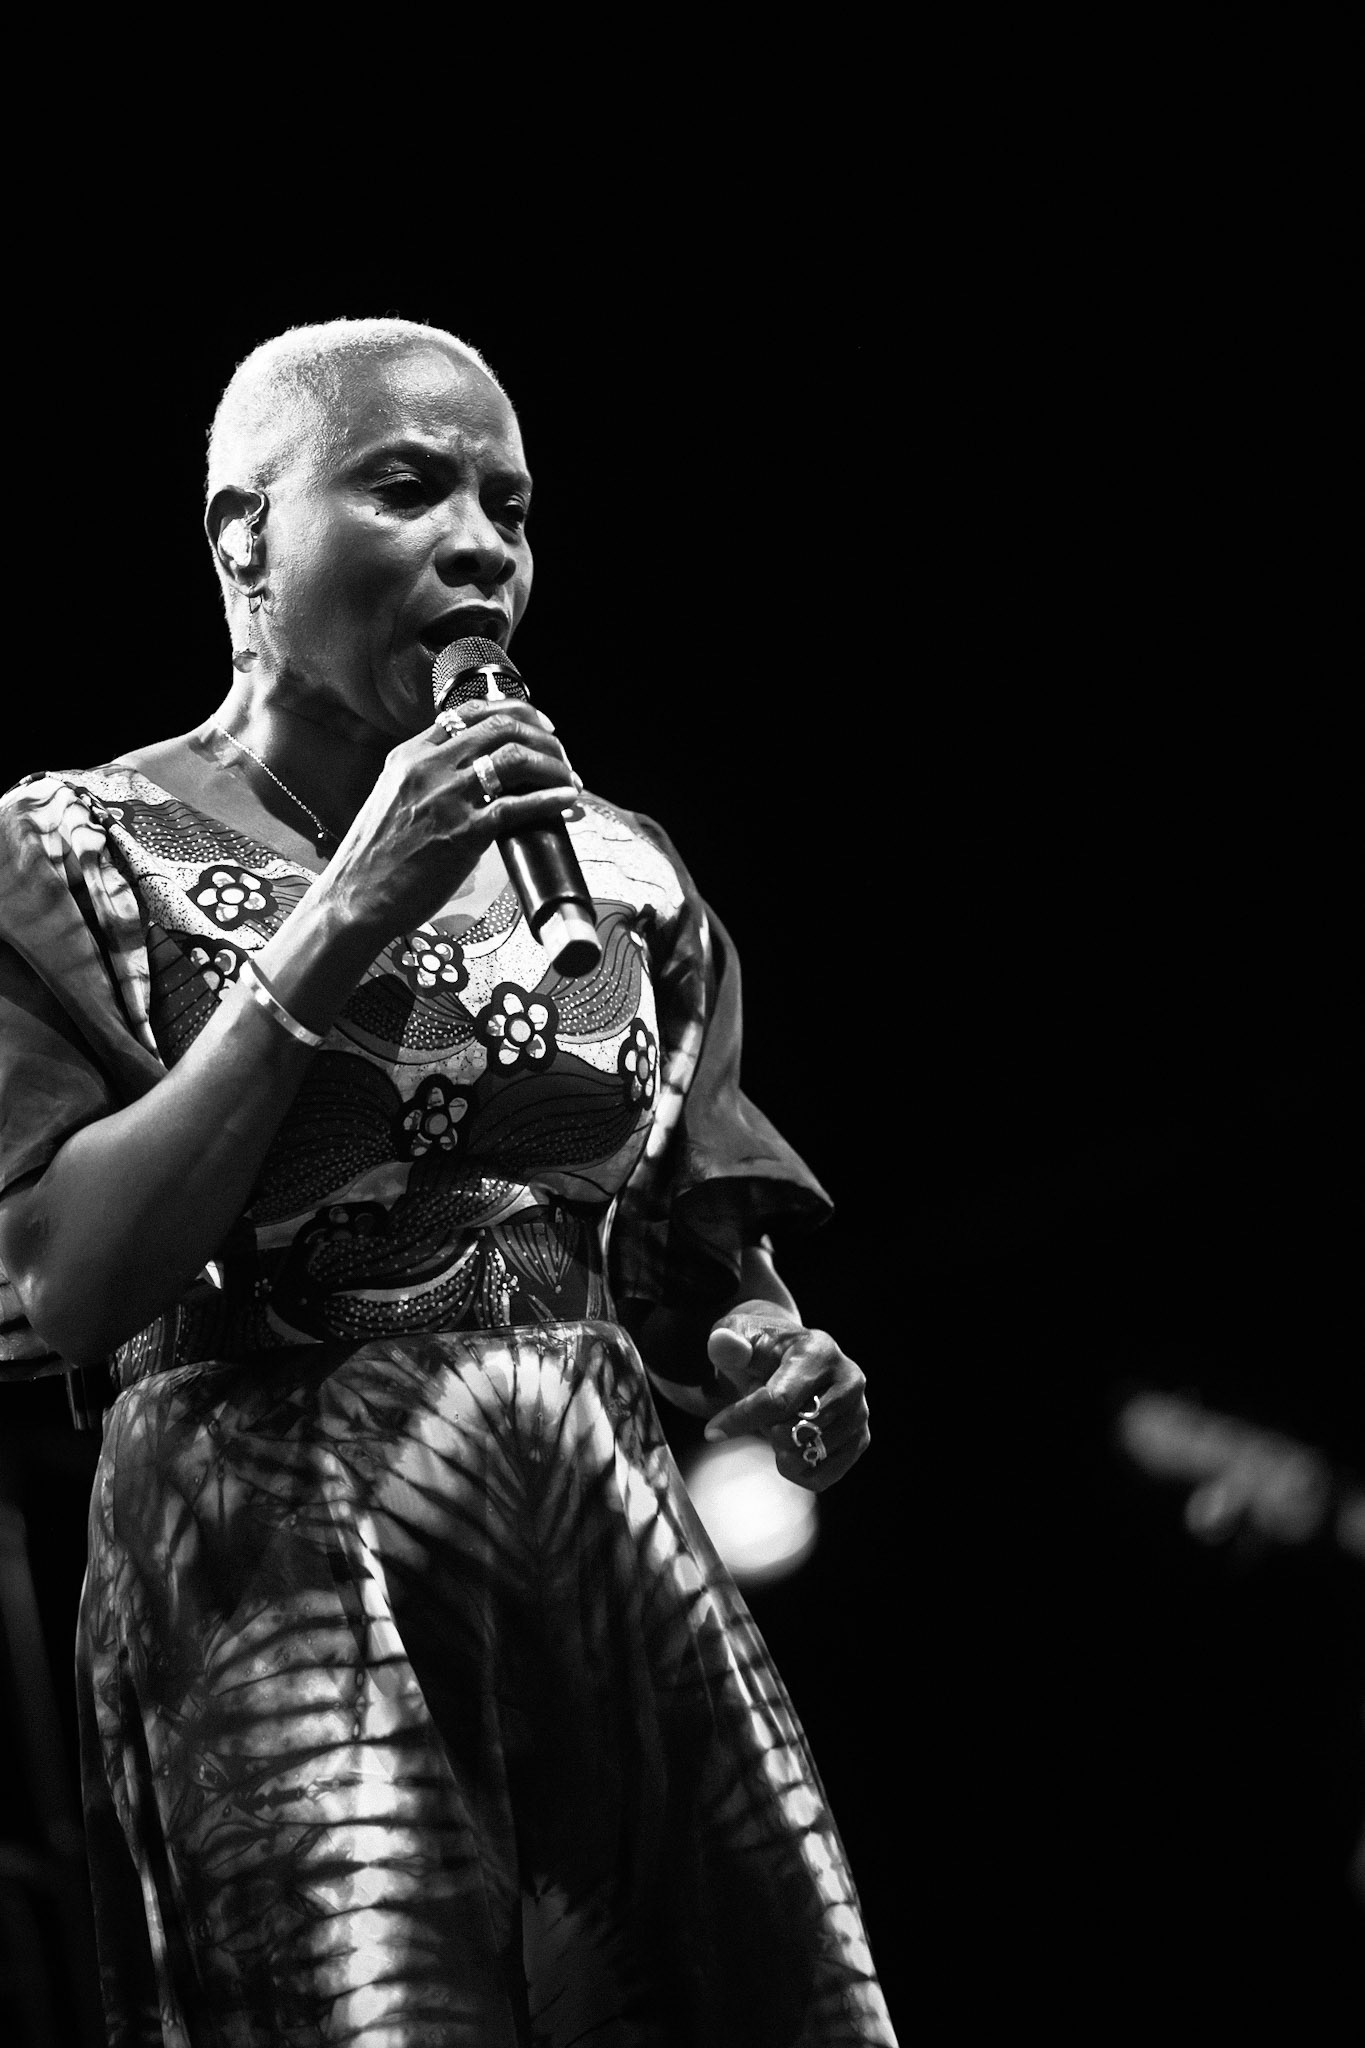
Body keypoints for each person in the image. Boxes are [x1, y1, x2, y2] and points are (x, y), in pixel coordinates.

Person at [0, 317, 895, 2047]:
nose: (479, 544)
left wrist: (763, 1344)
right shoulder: (74, 849)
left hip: (601, 1552)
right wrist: (349, 909)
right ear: (243, 535)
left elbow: (680, 1256)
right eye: (407, 487)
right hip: (282, 1577)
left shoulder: (618, 870)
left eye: (509, 504)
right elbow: (74, 1283)